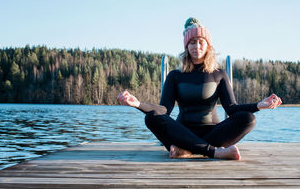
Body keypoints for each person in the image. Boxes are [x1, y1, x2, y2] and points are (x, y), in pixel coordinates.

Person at [118, 17, 282, 160]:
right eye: (192, 42)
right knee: (152, 117)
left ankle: (188, 150)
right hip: (181, 132)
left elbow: (232, 109)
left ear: (208, 46)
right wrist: (138, 104)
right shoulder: (175, 75)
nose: (197, 46)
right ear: (186, 47)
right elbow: (163, 110)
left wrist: (259, 105)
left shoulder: (219, 74)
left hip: (213, 133)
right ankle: (214, 153)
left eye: (201, 42)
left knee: (248, 119)